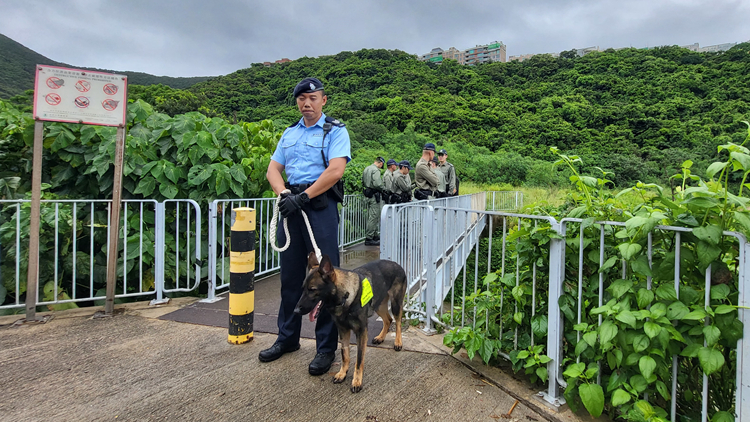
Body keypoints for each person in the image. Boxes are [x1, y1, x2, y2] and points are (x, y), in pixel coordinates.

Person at [262, 77, 350, 376]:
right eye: (302, 98)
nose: (307, 103)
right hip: (292, 208)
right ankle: (287, 338)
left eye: (313, 98)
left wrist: (303, 197)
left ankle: (326, 348)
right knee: (289, 278)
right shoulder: (289, 133)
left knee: (326, 280)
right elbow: (273, 169)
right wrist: (284, 194)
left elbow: (336, 170)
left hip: (319, 207)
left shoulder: (335, 131)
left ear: (323, 100)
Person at [362, 157, 385, 245]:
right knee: (374, 216)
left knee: (372, 215)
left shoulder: (366, 169)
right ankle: (369, 237)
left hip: (367, 194)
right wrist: (383, 188)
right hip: (374, 195)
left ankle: (375, 235)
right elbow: (377, 183)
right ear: (381, 163)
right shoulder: (376, 170)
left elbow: (363, 182)